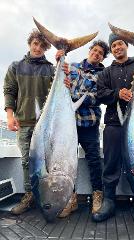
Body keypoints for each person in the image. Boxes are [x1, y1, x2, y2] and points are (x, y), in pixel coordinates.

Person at [92, 33, 134, 224]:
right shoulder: (105, 73)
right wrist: (117, 93)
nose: (117, 47)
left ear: (126, 46)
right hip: (113, 124)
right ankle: (109, 200)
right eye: (114, 46)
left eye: (120, 44)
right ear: (111, 50)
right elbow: (99, 94)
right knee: (110, 163)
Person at [55, 40, 109, 218]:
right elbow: (59, 83)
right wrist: (59, 61)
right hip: (68, 124)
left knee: (94, 161)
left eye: (100, 53)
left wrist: (74, 94)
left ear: (103, 57)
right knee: (67, 162)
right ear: (90, 50)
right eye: (94, 50)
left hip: (89, 124)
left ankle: (97, 195)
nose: (96, 54)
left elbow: (96, 98)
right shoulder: (73, 67)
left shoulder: (103, 74)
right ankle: (71, 199)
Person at [3, 29, 54, 215]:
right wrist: (9, 116)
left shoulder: (51, 68)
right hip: (24, 123)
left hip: (45, 126)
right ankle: (29, 195)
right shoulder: (16, 66)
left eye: (42, 45)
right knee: (26, 162)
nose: (38, 48)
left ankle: (44, 196)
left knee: (46, 162)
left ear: (46, 48)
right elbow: (9, 90)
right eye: (35, 43)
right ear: (30, 43)